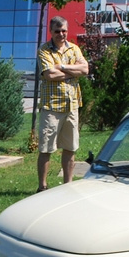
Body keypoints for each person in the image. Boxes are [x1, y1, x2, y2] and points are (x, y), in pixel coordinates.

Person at [36, 16, 88, 192]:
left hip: (71, 105)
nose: (61, 34)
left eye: (64, 30)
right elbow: (49, 74)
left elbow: (85, 69)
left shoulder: (74, 49)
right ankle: (42, 187)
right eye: (57, 31)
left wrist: (63, 67)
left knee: (70, 147)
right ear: (51, 32)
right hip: (52, 106)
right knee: (46, 148)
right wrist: (74, 71)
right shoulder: (44, 50)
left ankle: (68, 186)